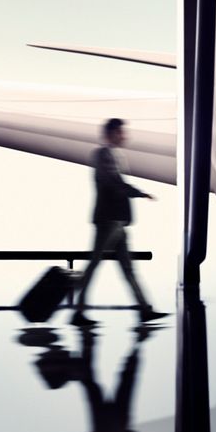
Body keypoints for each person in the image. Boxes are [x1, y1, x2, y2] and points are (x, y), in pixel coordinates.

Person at [71, 119, 167, 328]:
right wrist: (139, 193)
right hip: (109, 219)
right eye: (121, 132)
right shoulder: (103, 154)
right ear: (112, 133)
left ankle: (144, 310)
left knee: (124, 268)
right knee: (98, 264)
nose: (125, 136)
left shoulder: (112, 154)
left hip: (116, 221)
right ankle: (77, 309)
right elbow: (114, 183)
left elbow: (114, 182)